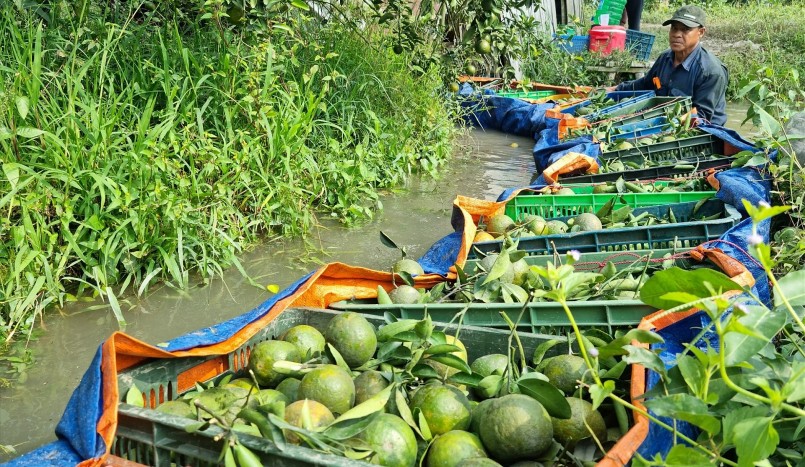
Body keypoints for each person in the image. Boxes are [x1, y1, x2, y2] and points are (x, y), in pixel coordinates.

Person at [610, 5, 728, 125]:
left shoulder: (711, 71)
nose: (677, 34)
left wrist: (663, 124)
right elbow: (645, 84)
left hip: (701, 130)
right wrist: (614, 90)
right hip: (666, 122)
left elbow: (701, 116)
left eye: (685, 29)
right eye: (674, 28)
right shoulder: (665, 58)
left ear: (701, 32)